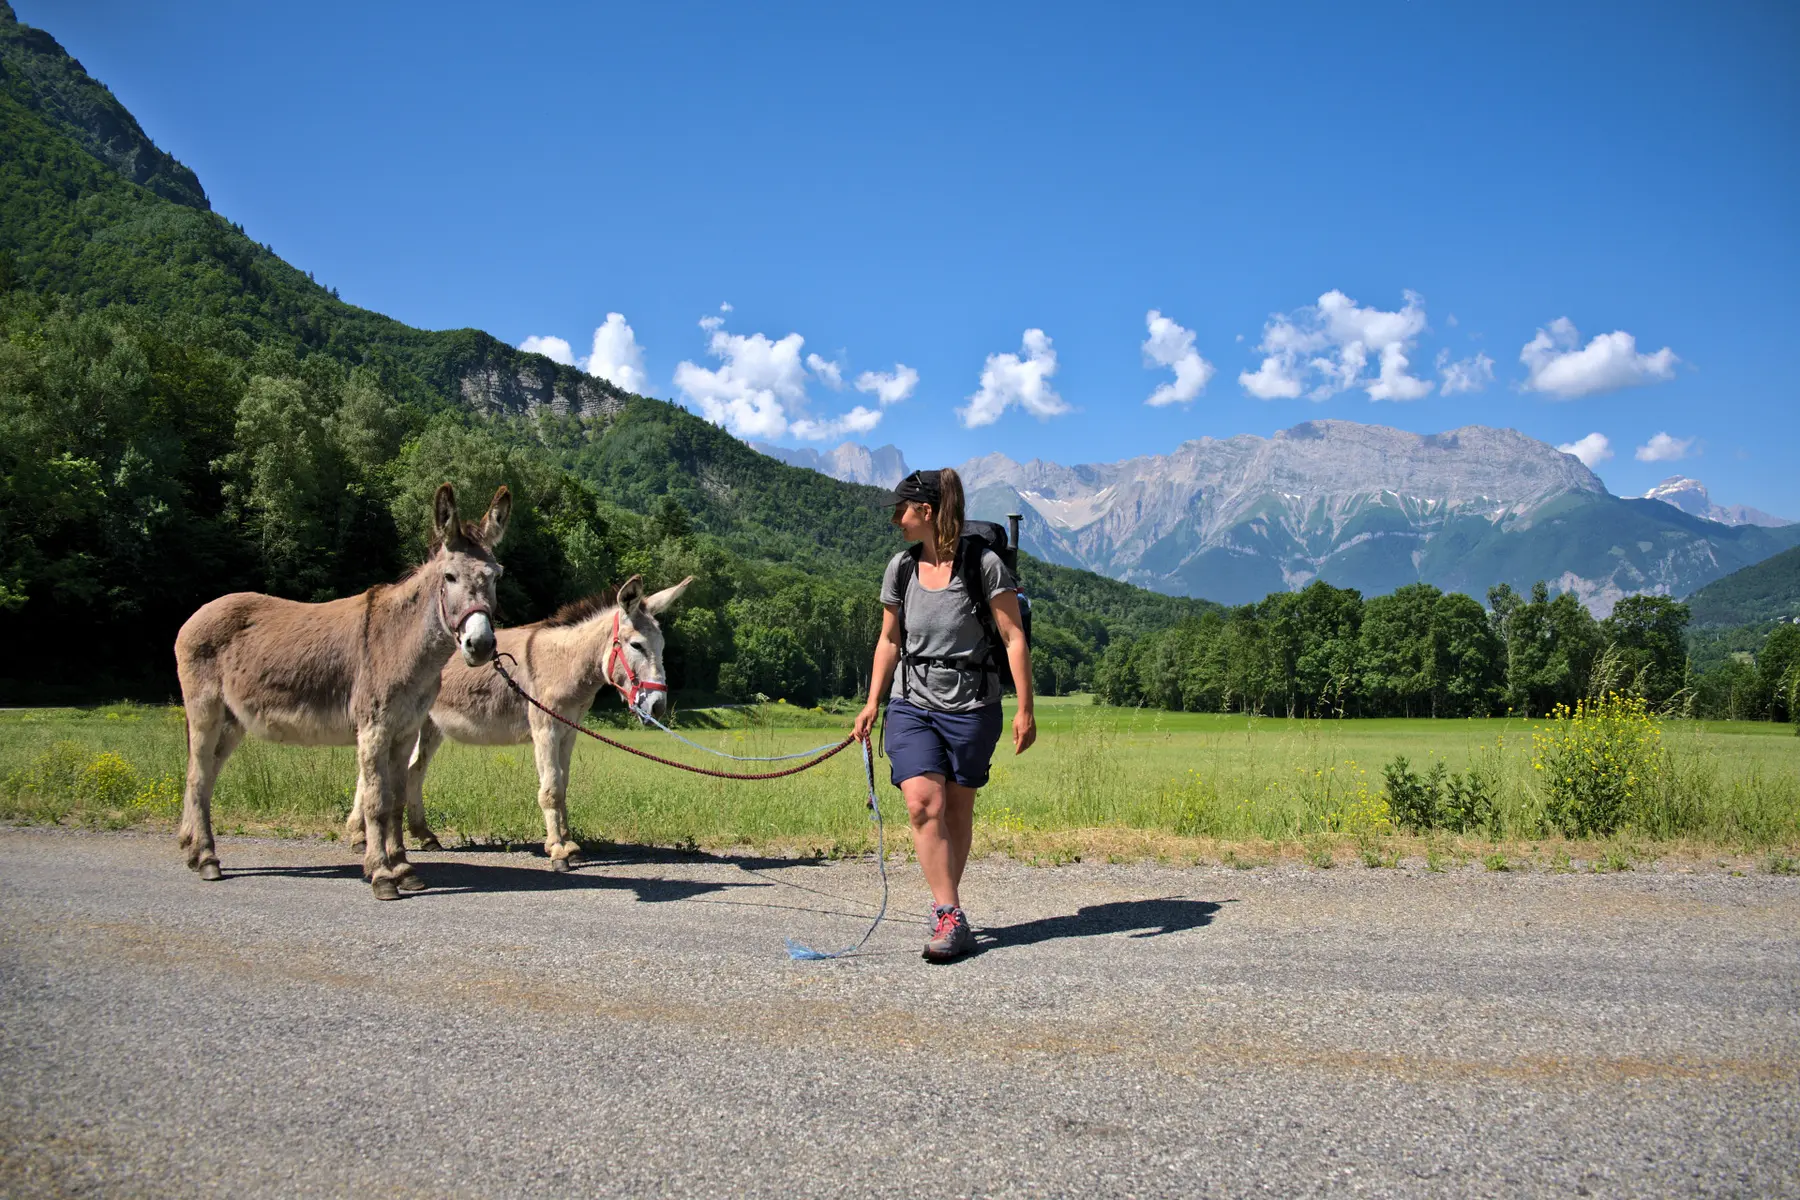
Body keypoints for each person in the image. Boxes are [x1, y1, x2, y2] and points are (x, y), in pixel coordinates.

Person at [852, 468, 1036, 961]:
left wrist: (1025, 709)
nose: (896, 520)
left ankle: (948, 909)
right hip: (911, 700)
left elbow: (1015, 639)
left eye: (901, 510)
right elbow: (889, 640)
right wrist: (872, 701)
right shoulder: (902, 568)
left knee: (957, 809)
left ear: (927, 512)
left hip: (973, 703)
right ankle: (948, 912)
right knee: (921, 803)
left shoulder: (985, 565)